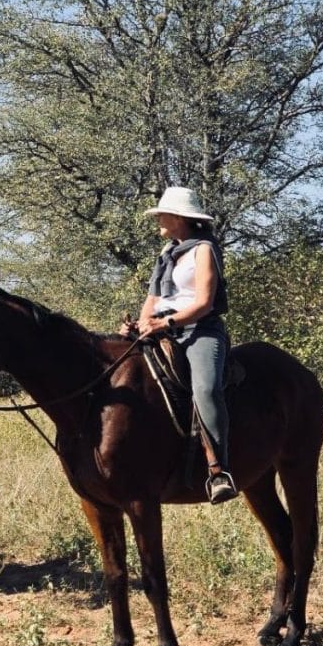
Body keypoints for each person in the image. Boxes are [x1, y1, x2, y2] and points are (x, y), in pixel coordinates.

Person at [121, 186, 237, 505]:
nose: (158, 218)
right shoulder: (166, 254)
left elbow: (203, 302)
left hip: (200, 330)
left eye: (162, 213)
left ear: (179, 218)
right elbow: (153, 299)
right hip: (162, 330)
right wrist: (141, 324)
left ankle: (219, 470)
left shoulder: (203, 250)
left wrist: (166, 323)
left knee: (207, 389)